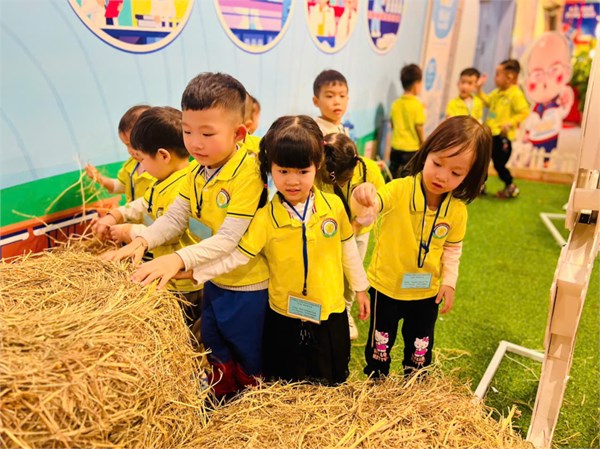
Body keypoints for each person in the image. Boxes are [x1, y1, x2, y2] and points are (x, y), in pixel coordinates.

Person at [101, 72, 269, 400]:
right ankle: (222, 392)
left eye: (207, 133)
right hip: (213, 279)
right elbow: (176, 217)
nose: (195, 143)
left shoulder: (248, 174)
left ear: (238, 133)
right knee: (213, 341)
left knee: (246, 347)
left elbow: (228, 239)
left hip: (246, 284)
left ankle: (251, 399)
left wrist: (176, 259)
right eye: (187, 131)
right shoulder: (195, 170)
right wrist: (142, 241)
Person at [186, 115, 370, 386]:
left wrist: (361, 288)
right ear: (270, 167)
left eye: (303, 171)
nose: (293, 181)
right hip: (284, 312)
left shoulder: (333, 207)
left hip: (329, 309)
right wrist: (197, 272)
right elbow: (239, 255)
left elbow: (348, 250)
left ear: (317, 165)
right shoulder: (264, 218)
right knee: (288, 379)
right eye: (283, 171)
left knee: (329, 376)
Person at [352, 116, 491, 378]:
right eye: (437, 163)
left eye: (456, 173)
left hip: (427, 292)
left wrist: (449, 281)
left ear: (469, 176)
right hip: (387, 287)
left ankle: (415, 381)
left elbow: (452, 249)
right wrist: (363, 197)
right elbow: (371, 207)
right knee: (380, 344)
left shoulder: (457, 211)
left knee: (420, 347)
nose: (442, 176)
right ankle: (376, 379)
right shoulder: (398, 190)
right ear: (426, 153)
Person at [92, 106, 202, 328]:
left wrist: (130, 232)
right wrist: (116, 214)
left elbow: (171, 231)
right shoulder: (164, 180)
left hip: (183, 284)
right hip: (165, 275)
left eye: (141, 159)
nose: (140, 165)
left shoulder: (183, 186)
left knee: (182, 330)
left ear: (163, 156)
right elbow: (144, 203)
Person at [319, 132, 385, 341]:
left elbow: (381, 202)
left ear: (355, 165)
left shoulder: (369, 170)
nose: (336, 182)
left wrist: (358, 223)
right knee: (327, 272)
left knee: (351, 275)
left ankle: (345, 312)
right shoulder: (319, 167)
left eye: (343, 178)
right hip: (325, 233)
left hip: (358, 232)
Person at [477, 59, 529, 198]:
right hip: (490, 133)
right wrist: (479, 89)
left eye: (498, 74)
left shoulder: (515, 94)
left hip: (502, 137)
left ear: (509, 78)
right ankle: (480, 185)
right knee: (483, 160)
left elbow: (524, 111)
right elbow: (487, 101)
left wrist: (510, 123)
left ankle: (510, 185)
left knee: (499, 165)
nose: (495, 78)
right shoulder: (497, 92)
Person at [85, 104, 155, 202]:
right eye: (127, 145)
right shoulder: (131, 164)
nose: (130, 151)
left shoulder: (160, 170)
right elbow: (121, 186)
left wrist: (123, 211)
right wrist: (98, 178)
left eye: (133, 144)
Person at [389, 64, 426, 178]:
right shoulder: (417, 105)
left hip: (395, 146)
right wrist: (423, 143)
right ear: (416, 85)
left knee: (392, 172)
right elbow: (419, 127)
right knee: (407, 175)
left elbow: (392, 125)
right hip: (411, 148)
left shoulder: (395, 104)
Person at [312, 69, 349, 136]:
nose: (337, 102)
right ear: (316, 101)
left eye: (342, 96)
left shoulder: (342, 128)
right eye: (330, 96)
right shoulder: (316, 132)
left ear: (347, 99)